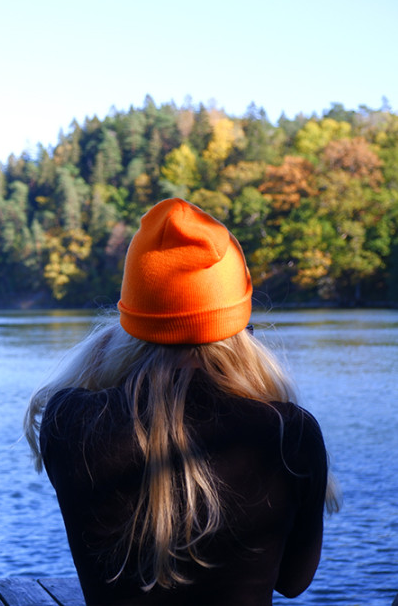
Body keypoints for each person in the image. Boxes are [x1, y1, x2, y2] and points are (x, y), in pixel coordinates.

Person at [24, 198, 339, 605]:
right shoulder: (287, 432)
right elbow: (293, 581)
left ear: (131, 318)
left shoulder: (68, 421)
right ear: (238, 324)